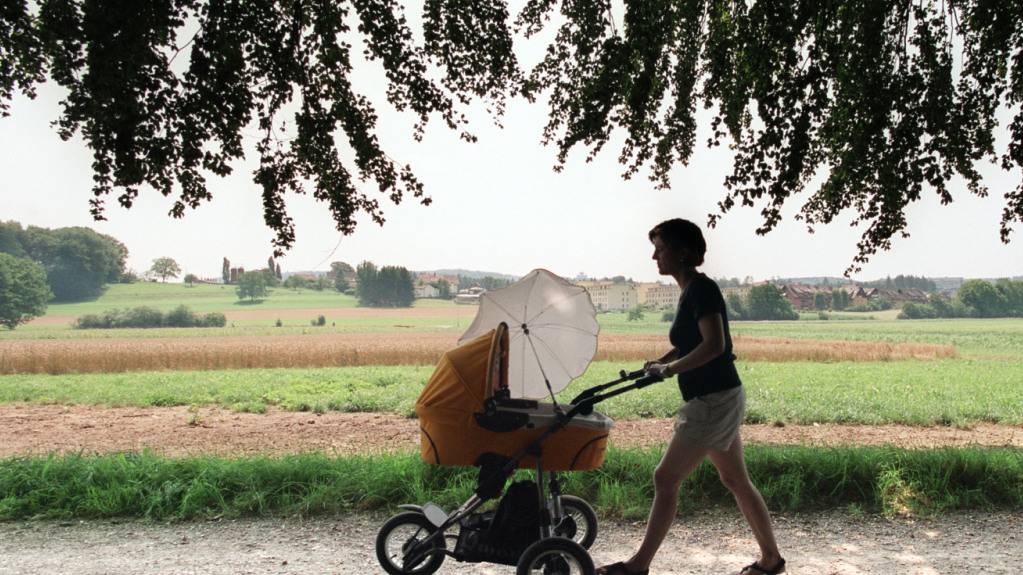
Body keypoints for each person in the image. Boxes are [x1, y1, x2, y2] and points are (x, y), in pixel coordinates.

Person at [597, 218, 785, 575]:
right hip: (718, 396)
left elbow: (715, 345)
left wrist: (670, 370)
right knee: (735, 480)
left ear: (683, 252)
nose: (655, 256)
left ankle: (638, 566)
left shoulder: (701, 290)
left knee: (665, 478)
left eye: (661, 247)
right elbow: (691, 342)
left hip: (713, 400)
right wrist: (663, 361)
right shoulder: (690, 291)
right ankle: (771, 560)